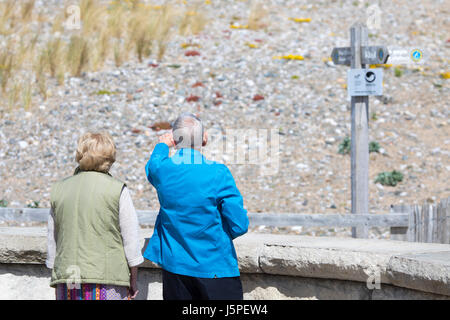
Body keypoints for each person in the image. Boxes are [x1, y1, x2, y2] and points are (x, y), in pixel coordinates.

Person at [143, 113, 249, 300]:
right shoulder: (218, 172)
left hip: (175, 268)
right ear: (204, 138)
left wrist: (162, 145)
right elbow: (239, 225)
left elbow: (153, 166)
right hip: (214, 267)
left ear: (175, 140)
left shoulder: (163, 170)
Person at [46, 132, 143, 300]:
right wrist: (133, 278)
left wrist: (55, 268)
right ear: (109, 158)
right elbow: (131, 238)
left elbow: (52, 238)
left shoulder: (59, 190)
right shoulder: (117, 189)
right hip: (108, 277)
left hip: (68, 277)